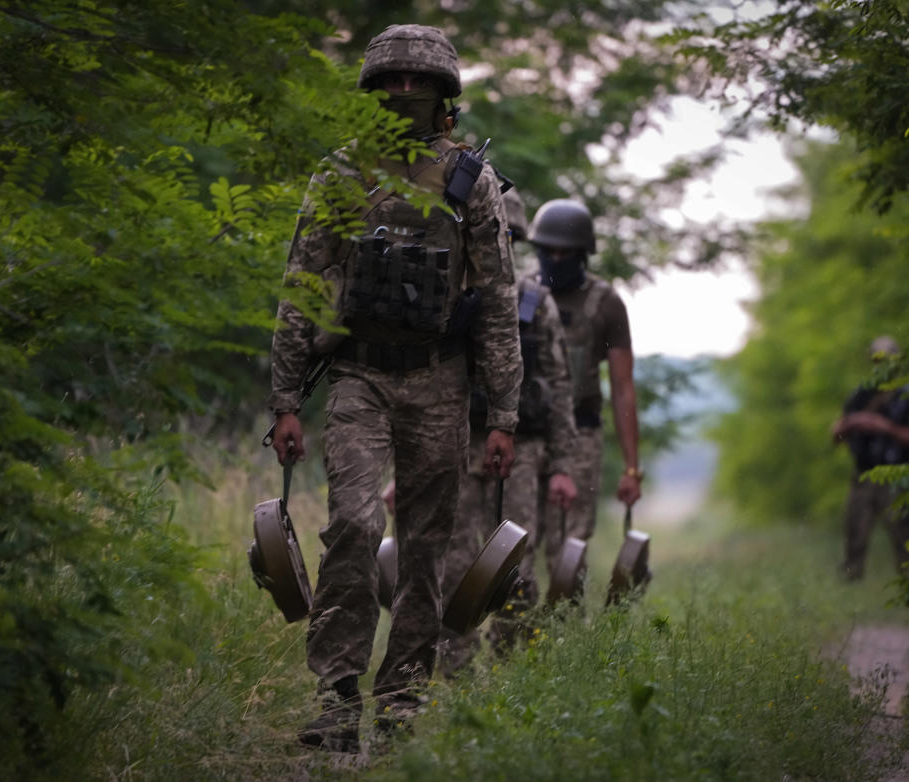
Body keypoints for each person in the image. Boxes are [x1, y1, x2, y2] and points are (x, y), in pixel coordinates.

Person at [268, 24, 521, 753]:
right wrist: (285, 399)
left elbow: (499, 303)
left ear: (444, 92)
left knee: (427, 547)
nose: (406, 91)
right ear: (374, 89)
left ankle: (404, 698)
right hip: (358, 376)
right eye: (393, 79)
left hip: (440, 382)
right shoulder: (342, 173)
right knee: (351, 522)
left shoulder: (472, 182)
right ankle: (338, 695)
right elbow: (303, 286)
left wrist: (501, 413)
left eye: (420, 80)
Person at [437, 188, 578, 673]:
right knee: (452, 560)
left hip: (522, 451)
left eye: (508, 235)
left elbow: (559, 388)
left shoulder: (537, 303)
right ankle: (452, 671)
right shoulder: (450, 293)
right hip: (458, 441)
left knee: (515, 563)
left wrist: (561, 466)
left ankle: (510, 671)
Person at [526, 199, 644, 575]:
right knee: (517, 541)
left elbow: (623, 388)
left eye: (565, 252)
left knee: (570, 547)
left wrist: (631, 468)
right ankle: (513, 632)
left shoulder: (605, 303)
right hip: (526, 432)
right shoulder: (521, 294)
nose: (556, 259)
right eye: (548, 251)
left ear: (582, 254)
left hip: (581, 434)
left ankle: (563, 630)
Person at [831, 336, 909, 580]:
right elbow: (836, 437)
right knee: (854, 535)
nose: (882, 364)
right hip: (863, 476)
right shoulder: (860, 395)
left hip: (898, 477)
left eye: (887, 359)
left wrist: (884, 426)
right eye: (878, 359)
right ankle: (850, 586)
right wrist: (851, 424)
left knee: (906, 536)